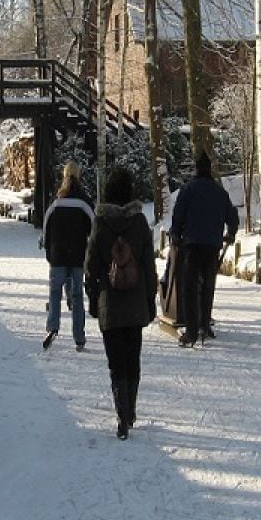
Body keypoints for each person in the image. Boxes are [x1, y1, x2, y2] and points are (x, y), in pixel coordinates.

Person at [85, 166, 158, 440]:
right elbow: (149, 267)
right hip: (135, 302)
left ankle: (121, 413)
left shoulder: (100, 224)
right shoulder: (139, 224)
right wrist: (151, 298)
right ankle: (131, 409)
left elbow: (91, 265)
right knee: (132, 359)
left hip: (110, 303)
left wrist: (93, 296)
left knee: (115, 362)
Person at [169, 149, 238, 347]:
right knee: (208, 286)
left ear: (196, 169)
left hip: (191, 244)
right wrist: (230, 233)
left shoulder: (188, 190)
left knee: (190, 287)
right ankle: (205, 324)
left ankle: (191, 331)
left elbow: (178, 215)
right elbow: (232, 216)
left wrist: (176, 233)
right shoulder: (219, 192)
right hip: (212, 246)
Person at [41, 161, 94, 351]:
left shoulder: (56, 203)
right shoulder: (85, 203)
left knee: (55, 293)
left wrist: (50, 254)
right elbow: (94, 232)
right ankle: (79, 337)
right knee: (78, 296)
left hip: (58, 256)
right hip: (78, 257)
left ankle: (52, 327)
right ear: (79, 176)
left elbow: (46, 231)